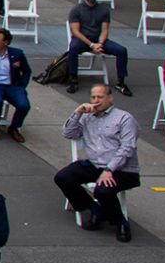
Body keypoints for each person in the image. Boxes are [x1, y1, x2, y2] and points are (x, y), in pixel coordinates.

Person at [57, 84, 139, 242]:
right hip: (94, 164)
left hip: (122, 169)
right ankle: (95, 209)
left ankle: (121, 223)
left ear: (110, 98)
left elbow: (128, 148)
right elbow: (68, 133)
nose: (96, 100)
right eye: (93, 97)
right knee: (63, 177)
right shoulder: (86, 117)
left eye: (100, 97)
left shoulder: (124, 118)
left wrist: (109, 169)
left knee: (102, 191)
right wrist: (77, 113)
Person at [66, 0, 131, 95]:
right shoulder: (76, 10)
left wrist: (100, 44)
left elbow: (105, 29)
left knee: (122, 50)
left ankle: (121, 82)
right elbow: (75, 31)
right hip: (82, 40)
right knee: (73, 48)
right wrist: (91, 45)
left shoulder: (104, 10)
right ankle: (73, 79)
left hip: (99, 40)